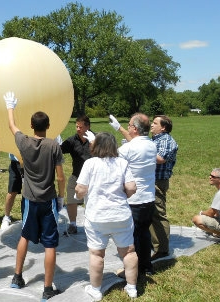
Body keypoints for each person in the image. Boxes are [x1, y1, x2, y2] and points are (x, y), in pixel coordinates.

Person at [4, 91, 66, 301]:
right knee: (50, 244)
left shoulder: (24, 142)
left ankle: (17, 277)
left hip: (30, 200)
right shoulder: (54, 146)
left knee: (25, 236)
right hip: (48, 201)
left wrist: (10, 106)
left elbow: (12, 126)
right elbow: (60, 177)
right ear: (48, 126)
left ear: (31, 126)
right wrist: (61, 197)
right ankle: (47, 289)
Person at [75, 131, 139, 300]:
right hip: (121, 214)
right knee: (129, 252)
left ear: (96, 146)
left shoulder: (90, 164)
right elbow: (132, 187)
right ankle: (132, 287)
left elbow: (80, 190)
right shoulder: (122, 163)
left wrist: (80, 195)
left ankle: (96, 290)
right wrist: (123, 196)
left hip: (97, 216)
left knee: (97, 254)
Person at [111, 113, 157, 276]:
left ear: (135, 129)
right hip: (149, 198)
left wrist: (95, 143)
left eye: (129, 125)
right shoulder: (151, 145)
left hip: (133, 200)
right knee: (144, 234)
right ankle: (146, 266)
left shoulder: (127, 149)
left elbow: (110, 160)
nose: (128, 127)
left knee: (131, 238)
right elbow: (136, 145)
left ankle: (133, 271)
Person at [149, 115, 178, 261]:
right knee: (150, 213)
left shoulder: (166, 140)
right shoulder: (155, 140)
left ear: (163, 127)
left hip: (158, 182)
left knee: (158, 214)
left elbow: (160, 158)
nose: (151, 125)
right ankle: (154, 242)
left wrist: (142, 151)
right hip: (151, 180)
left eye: (155, 123)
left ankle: (162, 249)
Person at [60, 115, 93, 234]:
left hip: (93, 177)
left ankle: (93, 225)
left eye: (81, 127)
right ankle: (73, 225)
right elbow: (59, 150)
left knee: (93, 202)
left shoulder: (95, 139)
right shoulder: (72, 140)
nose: (78, 129)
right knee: (71, 199)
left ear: (88, 127)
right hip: (77, 175)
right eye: (77, 126)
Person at [1, 153, 24, 230]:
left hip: (30, 162)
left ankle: (28, 217)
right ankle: (6, 217)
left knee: (30, 192)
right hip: (15, 163)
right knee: (12, 191)